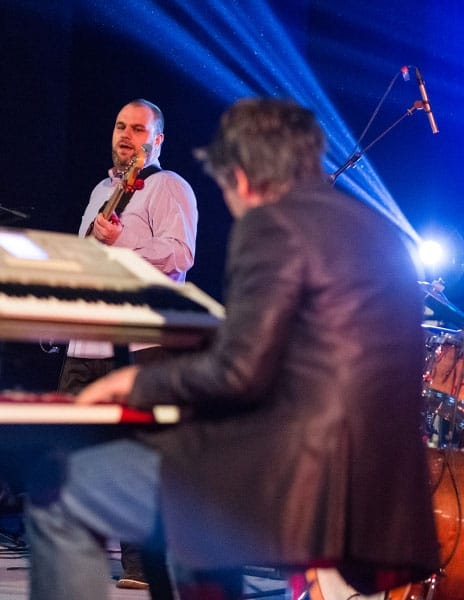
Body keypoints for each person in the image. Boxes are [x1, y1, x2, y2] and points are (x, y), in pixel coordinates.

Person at [26, 98, 439, 600]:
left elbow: (241, 372)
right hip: (386, 493)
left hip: (307, 475)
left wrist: (137, 380)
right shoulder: (380, 234)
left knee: (67, 490)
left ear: (241, 174)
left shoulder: (272, 227)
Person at [56, 98, 198, 591]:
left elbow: (180, 256)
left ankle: (142, 565)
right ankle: (74, 554)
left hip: (139, 343)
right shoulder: (102, 190)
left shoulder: (167, 185)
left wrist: (122, 244)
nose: (126, 135)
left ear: (157, 140)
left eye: (138, 129)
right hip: (85, 343)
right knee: (71, 453)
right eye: (120, 126)